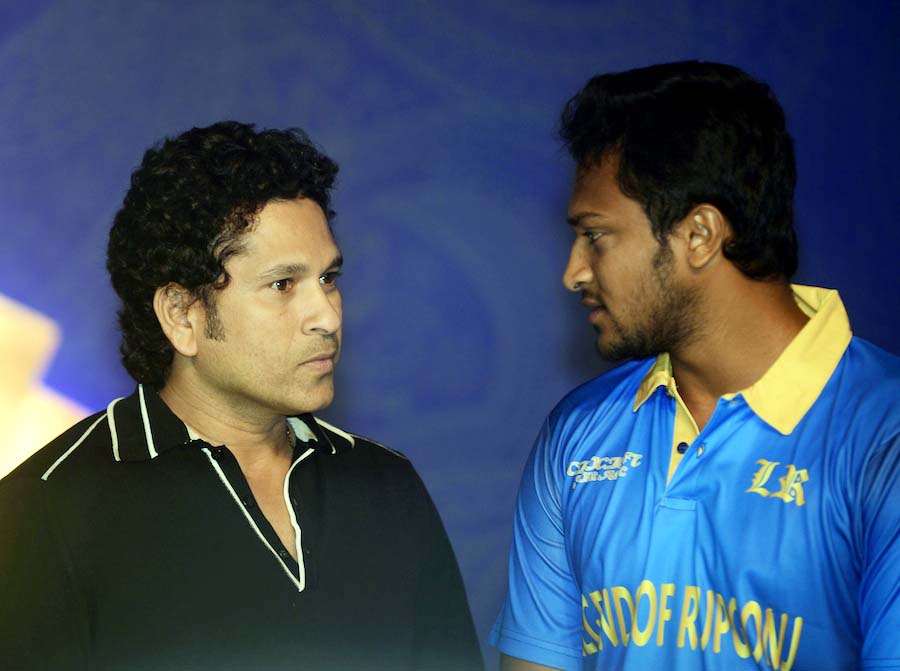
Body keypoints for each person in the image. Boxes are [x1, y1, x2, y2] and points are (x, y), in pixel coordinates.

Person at [0, 121, 482, 671]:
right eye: (283, 285)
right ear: (183, 315)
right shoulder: (44, 511)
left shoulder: (387, 487)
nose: (326, 316)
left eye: (329, 278)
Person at [490, 61, 899, 671]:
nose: (573, 271)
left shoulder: (883, 434)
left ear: (700, 235)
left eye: (596, 235)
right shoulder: (575, 434)